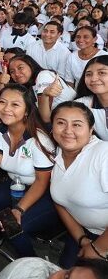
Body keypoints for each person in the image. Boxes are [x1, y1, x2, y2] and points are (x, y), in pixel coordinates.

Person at [0, 84, 59, 257]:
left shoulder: (38, 139)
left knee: (14, 225)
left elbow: (42, 182)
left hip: (44, 191)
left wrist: (19, 210)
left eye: (15, 104)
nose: (6, 109)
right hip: (16, 185)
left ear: (27, 111)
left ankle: (31, 264)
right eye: (2, 102)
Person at [50, 101, 108, 268]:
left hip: (104, 238)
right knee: (65, 270)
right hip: (84, 233)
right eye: (61, 123)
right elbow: (60, 203)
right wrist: (82, 239)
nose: (68, 131)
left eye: (77, 125)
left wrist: (98, 248)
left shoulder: (103, 154)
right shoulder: (56, 155)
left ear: (90, 130)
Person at [75, 55, 108, 140]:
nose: (93, 79)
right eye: (88, 74)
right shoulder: (82, 104)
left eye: (102, 73)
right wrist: (45, 97)